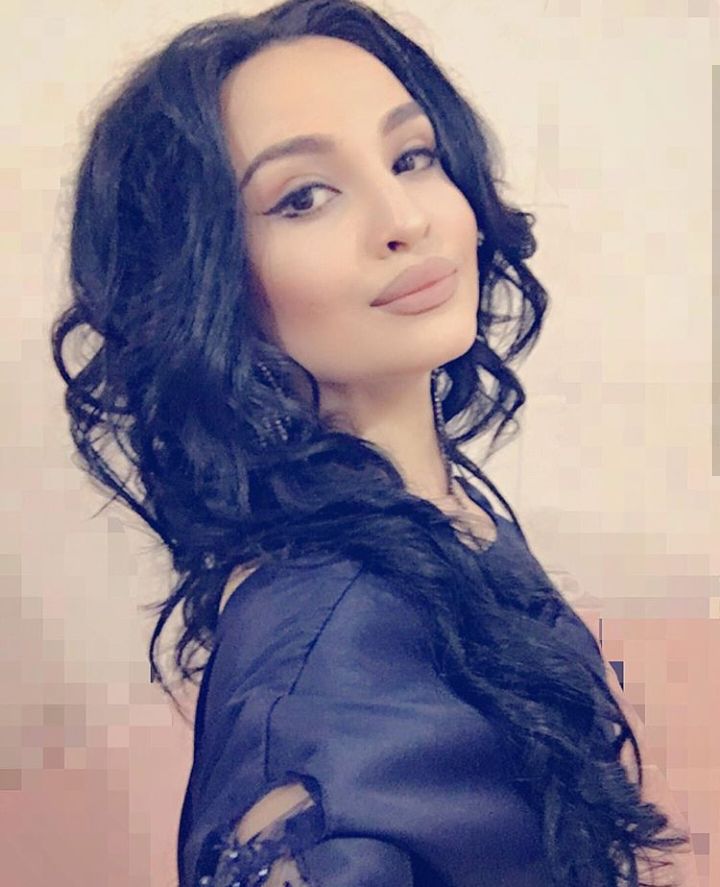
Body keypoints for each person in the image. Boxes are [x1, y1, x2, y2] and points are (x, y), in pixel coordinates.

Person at [50, 1, 696, 885]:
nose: (404, 218)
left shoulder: (442, 515)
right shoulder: (322, 673)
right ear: (205, 282)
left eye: (411, 157)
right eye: (304, 197)